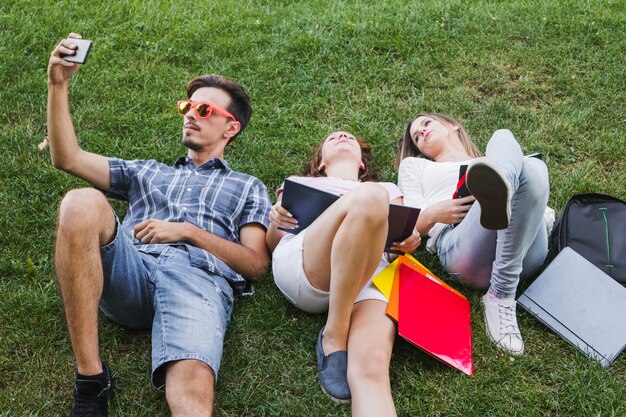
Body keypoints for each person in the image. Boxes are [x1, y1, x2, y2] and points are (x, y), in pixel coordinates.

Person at [48, 33, 271, 417]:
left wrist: (189, 232)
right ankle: (91, 378)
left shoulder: (248, 186)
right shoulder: (147, 172)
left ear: (230, 128)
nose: (189, 114)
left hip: (198, 280)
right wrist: (57, 84)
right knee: (79, 202)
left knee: (192, 395)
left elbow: (256, 264)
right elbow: (66, 157)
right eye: (188, 106)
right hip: (131, 267)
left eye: (204, 110)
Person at [266, 131, 421, 416]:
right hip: (308, 266)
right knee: (372, 196)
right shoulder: (303, 183)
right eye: (332, 138)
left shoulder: (388, 188)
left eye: (349, 137)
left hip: (371, 272)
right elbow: (274, 242)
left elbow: (393, 247)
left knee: (372, 367)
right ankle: (334, 335)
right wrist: (276, 219)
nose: (341, 136)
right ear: (321, 163)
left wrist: (409, 239)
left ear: (362, 164)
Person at [396, 112, 551, 356]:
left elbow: (547, 215)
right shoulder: (416, 166)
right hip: (463, 244)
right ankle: (501, 294)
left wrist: (522, 214)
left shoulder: (496, 159)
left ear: (453, 125)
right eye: (416, 137)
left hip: (525, 249)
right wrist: (437, 212)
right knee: (518, 169)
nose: (422, 133)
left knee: (519, 154)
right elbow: (411, 224)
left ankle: (502, 192)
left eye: (427, 124)